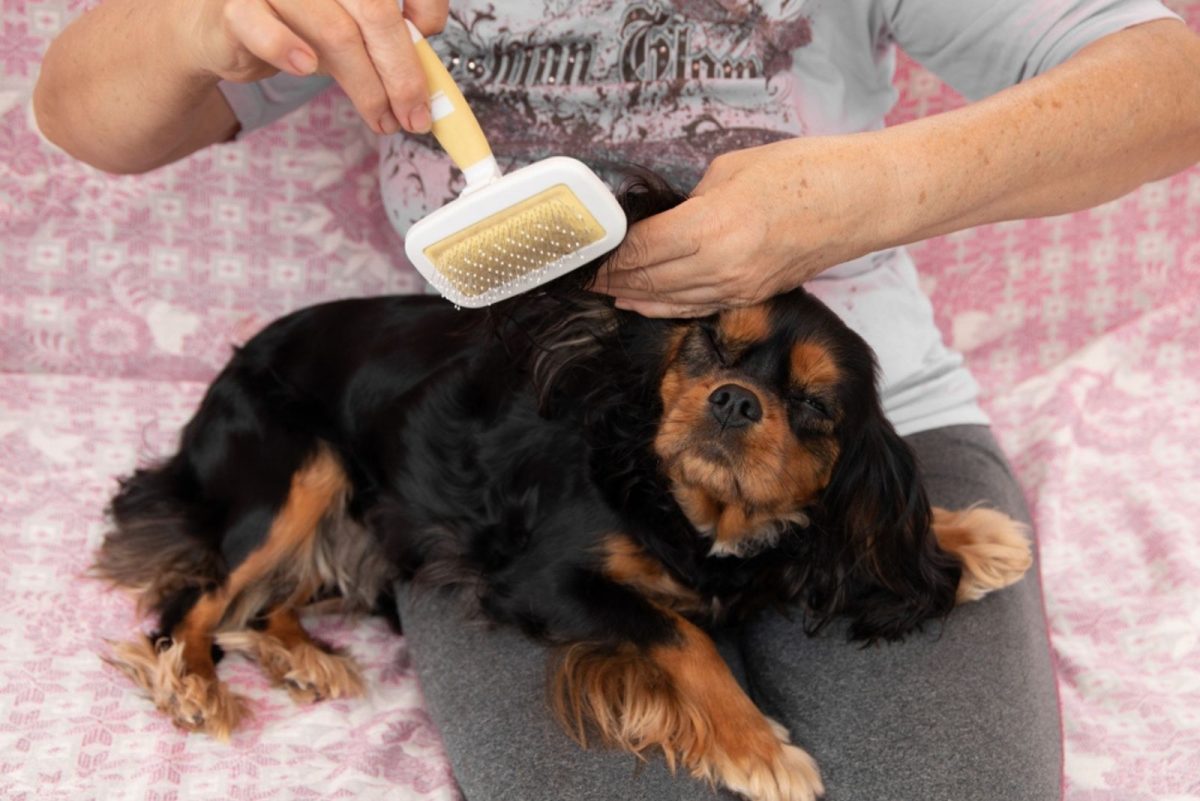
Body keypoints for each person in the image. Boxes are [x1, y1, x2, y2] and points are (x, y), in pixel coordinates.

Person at [33, 1, 1200, 799]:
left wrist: (869, 189)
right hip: (510, 425)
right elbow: (82, 118)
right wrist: (200, 21)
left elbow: (1172, 84)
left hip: (861, 425)